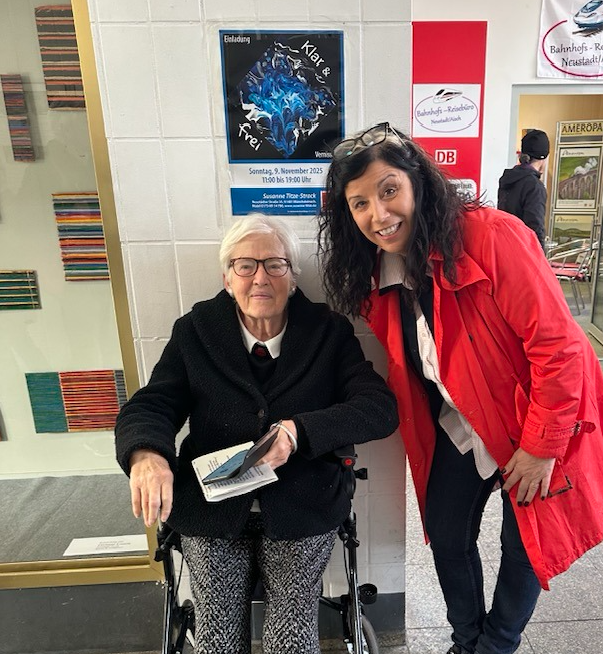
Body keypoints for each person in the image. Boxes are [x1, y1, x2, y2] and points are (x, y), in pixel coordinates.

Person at [317, 123, 603, 654]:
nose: (378, 214)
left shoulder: (493, 236)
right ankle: (468, 642)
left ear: (418, 182)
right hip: (462, 422)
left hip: (533, 418)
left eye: (389, 190)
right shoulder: (374, 272)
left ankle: (496, 645)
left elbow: (559, 348)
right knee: (446, 533)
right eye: (360, 203)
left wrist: (541, 446)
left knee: (524, 542)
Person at [115, 214, 398, 654]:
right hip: (211, 507)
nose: (260, 278)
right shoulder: (195, 332)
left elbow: (378, 408)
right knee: (218, 637)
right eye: (245, 265)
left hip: (303, 502)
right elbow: (153, 404)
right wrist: (147, 455)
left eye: (275, 264)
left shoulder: (328, 332)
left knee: (291, 637)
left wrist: (298, 431)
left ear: (293, 276)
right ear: (227, 279)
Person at [497, 128, 550, 249]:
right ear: (544, 158)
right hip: (523, 250)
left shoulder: (507, 179)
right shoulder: (534, 186)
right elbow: (535, 227)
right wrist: (540, 256)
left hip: (504, 246)